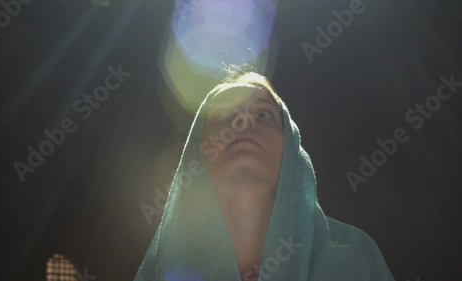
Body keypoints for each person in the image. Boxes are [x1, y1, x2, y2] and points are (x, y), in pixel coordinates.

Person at [134, 67, 395, 281]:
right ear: (196, 152)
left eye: (263, 114)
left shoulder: (357, 259)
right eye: (223, 114)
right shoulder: (159, 269)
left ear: (293, 151)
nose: (243, 121)